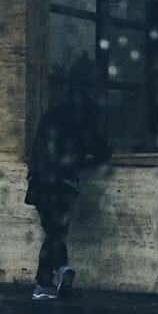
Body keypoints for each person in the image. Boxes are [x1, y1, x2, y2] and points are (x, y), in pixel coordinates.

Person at [24, 89, 112, 300]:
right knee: (56, 232)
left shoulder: (48, 117)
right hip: (64, 184)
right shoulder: (81, 121)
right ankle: (56, 272)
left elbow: (37, 150)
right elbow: (102, 152)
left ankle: (45, 283)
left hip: (39, 182)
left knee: (52, 232)